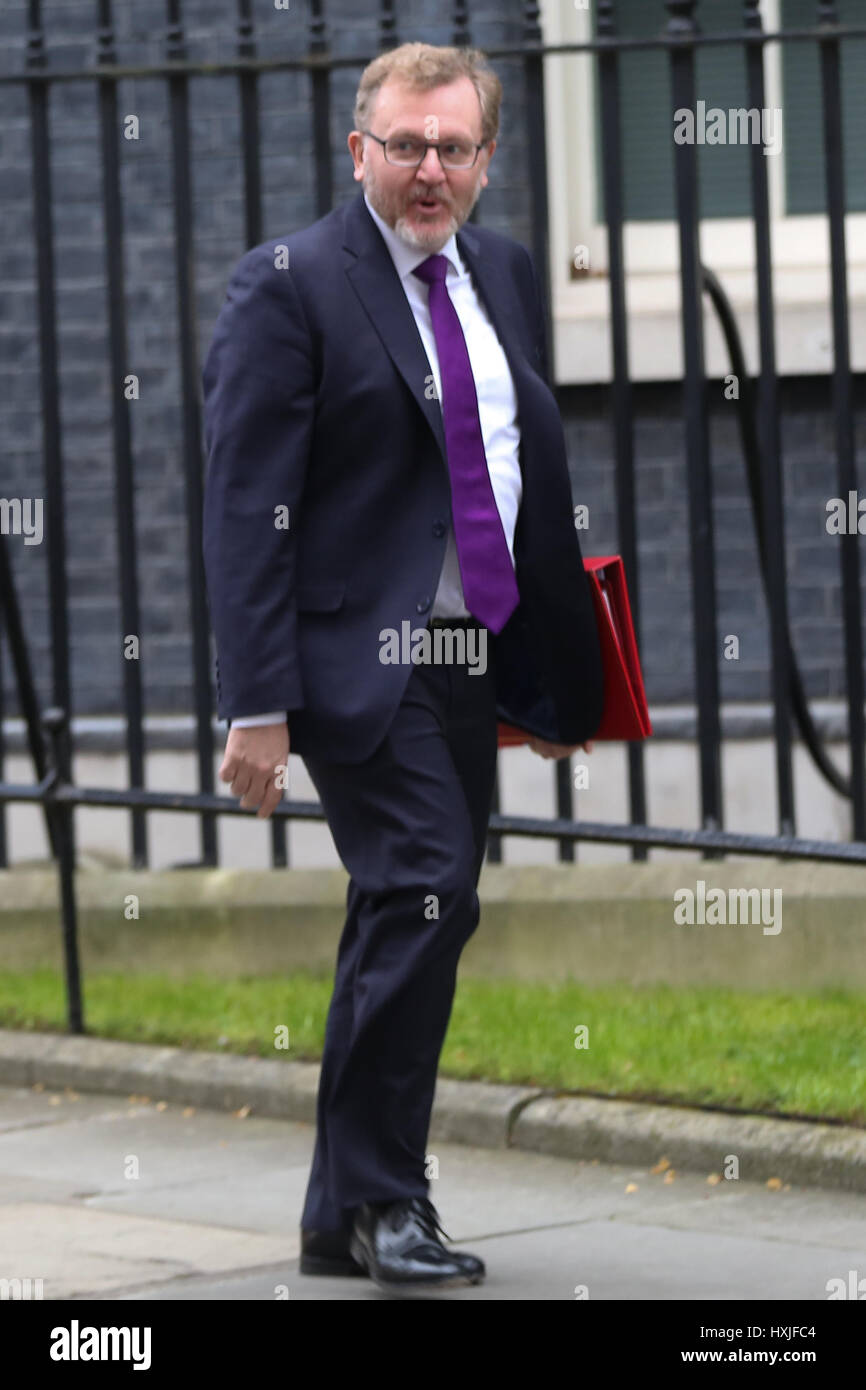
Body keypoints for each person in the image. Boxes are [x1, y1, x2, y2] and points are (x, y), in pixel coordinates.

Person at [201, 40, 603, 1293]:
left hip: (462, 651)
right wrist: (257, 703)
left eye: (454, 147)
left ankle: (336, 1211)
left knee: (406, 905)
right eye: (406, 144)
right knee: (430, 886)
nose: (429, 169)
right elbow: (243, 503)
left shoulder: (502, 272)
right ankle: (388, 1202)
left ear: (485, 159)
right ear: (357, 148)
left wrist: (545, 677)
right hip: (350, 659)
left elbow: (521, 480)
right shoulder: (292, 286)